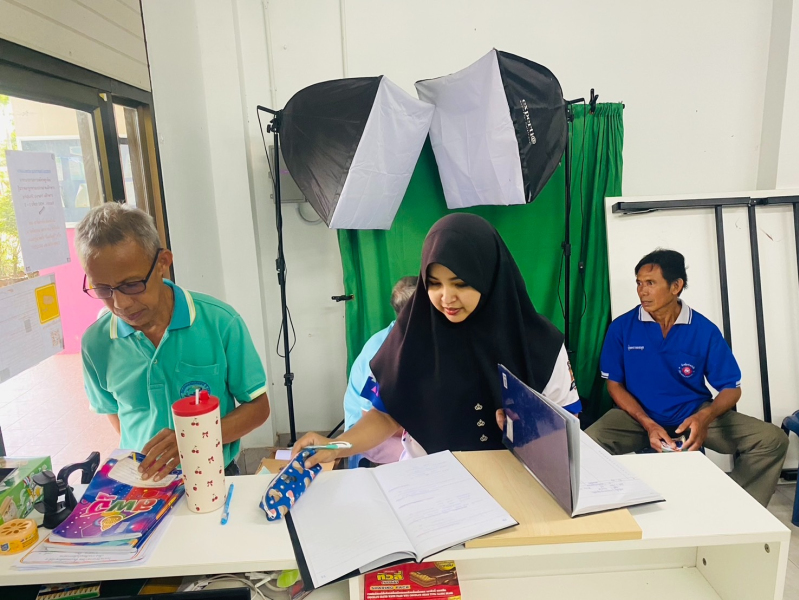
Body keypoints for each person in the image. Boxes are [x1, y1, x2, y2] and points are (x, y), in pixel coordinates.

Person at [294, 213, 581, 466]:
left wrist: (529, 427)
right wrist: (335, 446)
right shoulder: (413, 336)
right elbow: (385, 415)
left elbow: (568, 425)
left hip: (513, 479)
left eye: (461, 283)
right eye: (434, 283)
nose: (446, 298)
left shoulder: (539, 343)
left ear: (489, 276)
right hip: (432, 481)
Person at [76, 203, 271, 481]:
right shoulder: (96, 344)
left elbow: (258, 408)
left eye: (132, 284)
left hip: (214, 473)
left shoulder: (220, 322)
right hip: (143, 479)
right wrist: (156, 458)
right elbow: (114, 412)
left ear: (163, 263)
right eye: (103, 289)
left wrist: (193, 439)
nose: (120, 304)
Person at [586, 249, 788, 506]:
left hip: (693, 415)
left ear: (676, 286)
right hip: (637, 417)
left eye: (651, 283)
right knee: (586, 446)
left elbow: (731, 388)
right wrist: (648, 423)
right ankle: (613, 509)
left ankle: (736, 507)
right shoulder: (622, 328)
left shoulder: (704, 330)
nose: (642, 291)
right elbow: (614, 384)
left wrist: (705, 417)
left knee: (771, 440)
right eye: (639, 283)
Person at [343, 276, 417, 464]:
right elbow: (371, 417)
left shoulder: (420, 341)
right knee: (422, 460)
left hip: (407, 425)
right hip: (366, 430)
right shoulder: (381, 351)